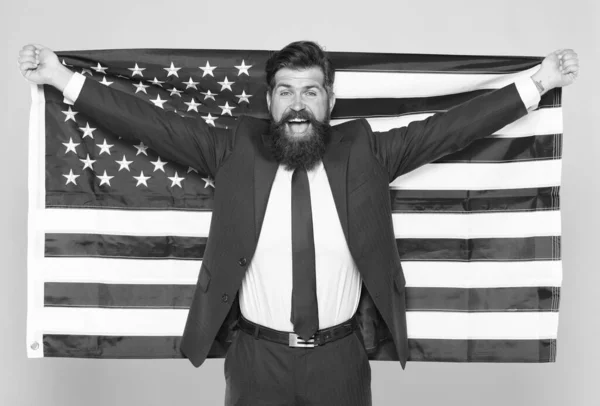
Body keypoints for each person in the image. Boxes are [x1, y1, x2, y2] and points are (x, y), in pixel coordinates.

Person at [18, 41, 579, 406]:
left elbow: (451, 129)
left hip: (340, 359)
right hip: (257, 358)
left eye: (310, 91)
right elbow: (151, 122)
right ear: (270, 99)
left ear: (329, 101)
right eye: (286, 91)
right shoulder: (234, 148)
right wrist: (60, 77)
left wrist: (540, 78)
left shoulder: (367, 151)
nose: (297, 104)